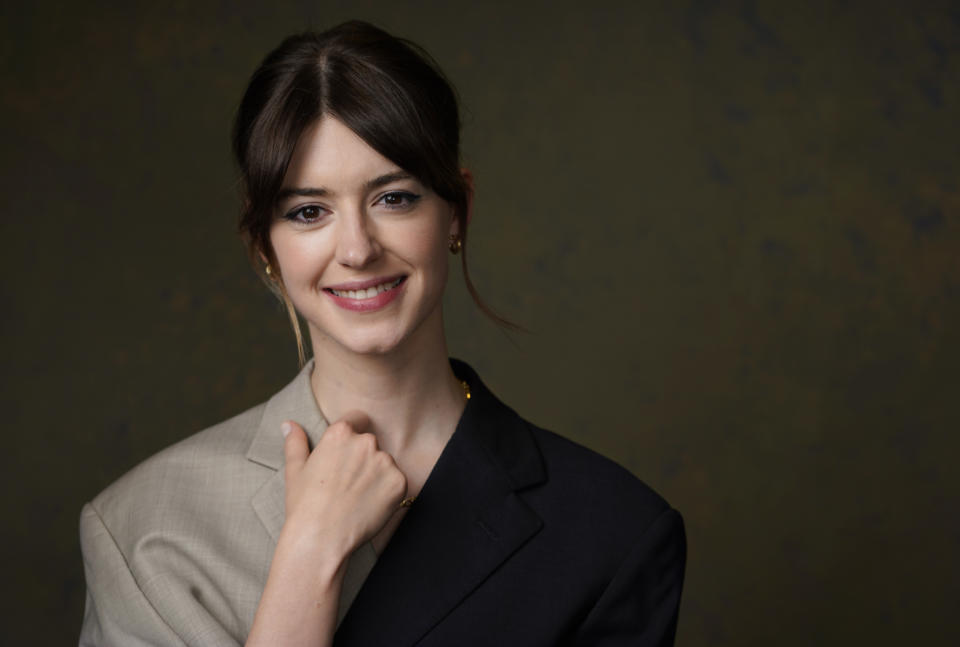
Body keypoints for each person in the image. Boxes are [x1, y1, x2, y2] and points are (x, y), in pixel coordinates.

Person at [78, 20, 686, 647]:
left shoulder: (610, 530)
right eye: (309, 212)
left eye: (393, 198)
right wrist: (310, 558)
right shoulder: (148, 530)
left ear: (457, 212)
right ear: (265, 245)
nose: (357, 249)